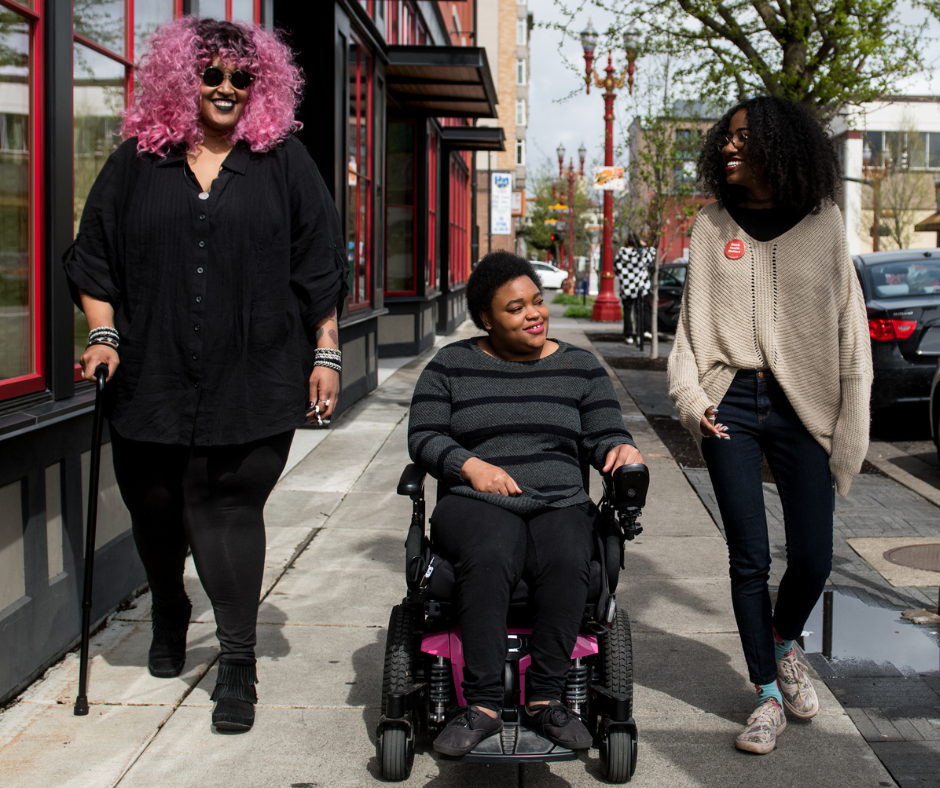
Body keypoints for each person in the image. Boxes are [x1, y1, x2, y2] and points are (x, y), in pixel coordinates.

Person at [63, 18, 348, 732]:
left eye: (240, 77)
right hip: (150, 376)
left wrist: (327, 350)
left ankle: (238, 663)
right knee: (155, 513)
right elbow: (92, 256)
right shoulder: (138, 161)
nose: (225, 88)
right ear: (180, 80)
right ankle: (169, 603)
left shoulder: (281, 160)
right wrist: (102, 333)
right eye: (210, 74)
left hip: (253, 376)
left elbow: (319, 264)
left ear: (261, 87)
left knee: (228, 510)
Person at [667, 96, 872, 754]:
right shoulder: (709, 227)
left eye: (744, 139)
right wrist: (693, 402)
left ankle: (784, 642)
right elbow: (687, 340)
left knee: (813, 558)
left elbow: (852, 338)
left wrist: (850, 433)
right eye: (725, 139)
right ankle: (764, 696)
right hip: (730, 403)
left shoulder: (823, 223)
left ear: (779, 146)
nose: (728, 148)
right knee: (749, 558)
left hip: (802, 408)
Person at [408, 251, 645, 757]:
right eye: (516, 309)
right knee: (491, 552)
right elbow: (424, 435)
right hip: (474, 500)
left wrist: (619, 450)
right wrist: (470, 467)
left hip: (558, 499)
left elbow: (605, 433)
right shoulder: (451, 364)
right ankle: (484, 704)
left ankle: (546, 698)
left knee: (566, 554)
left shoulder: (580, 366)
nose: (535, 314)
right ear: (487, 319)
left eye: (537, 301)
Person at [613, 238, 652, 344]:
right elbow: (652, 255)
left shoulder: (619, 255)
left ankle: (628, 335)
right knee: (640, 311)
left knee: (627, 312)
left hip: (626, 288)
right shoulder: (640, 254)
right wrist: (644, 245)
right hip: (640, 287)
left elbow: (616, 270)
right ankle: (641, 333)